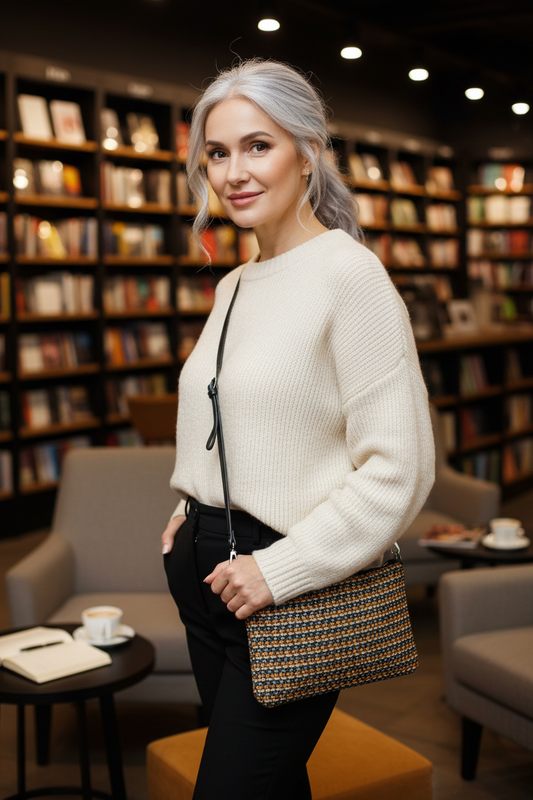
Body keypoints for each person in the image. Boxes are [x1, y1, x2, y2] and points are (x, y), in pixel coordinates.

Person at [162, 58, 435, 800]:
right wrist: (191, 505)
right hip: (208, 578)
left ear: (308, 153)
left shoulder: (350, 276)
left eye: (258, 146)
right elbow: (231, 412)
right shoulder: (235, 281)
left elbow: (399, 470)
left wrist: (277, 570)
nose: (234, 173)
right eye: (217, 153)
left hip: (287, 587)